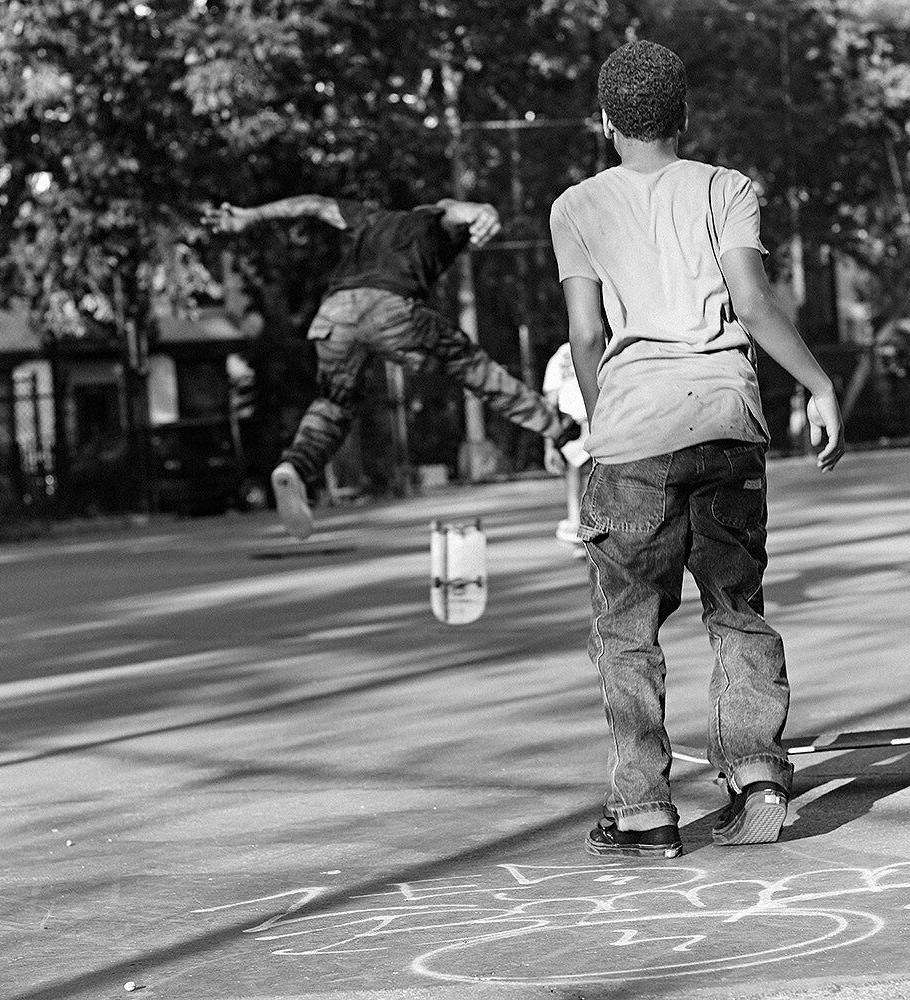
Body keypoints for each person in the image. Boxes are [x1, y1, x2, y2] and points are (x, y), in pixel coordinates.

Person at [549, 40, 844, 858]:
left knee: (626, 629)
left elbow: (584, 334)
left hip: (631, 436)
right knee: (735, 611)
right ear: (682, 116)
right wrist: (818, 387)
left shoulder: (575, 205)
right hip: (724, 424)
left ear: (605, 121)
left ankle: (643, 811)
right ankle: (755, 778)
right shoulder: (725, 188)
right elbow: (750, 303)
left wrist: (606, 422)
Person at [204, 194, 582, 539]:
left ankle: (294, 468)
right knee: (474, 368)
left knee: (333, 405)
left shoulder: (371, 219)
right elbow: (451, 211)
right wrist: (484, 211)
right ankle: (563, 428)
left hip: (333, 316)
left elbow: (315, 205)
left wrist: (249, 214)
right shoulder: (431, 225)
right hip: (389, 310)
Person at [541, 341, 590, 557]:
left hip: (571, 423)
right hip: (593, 419)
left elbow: (549, 406)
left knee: (575, 472)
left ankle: (577, 523)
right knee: (589, 472)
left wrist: (549, 447)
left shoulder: (558, 358)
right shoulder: (603, 341)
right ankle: (583, 527)